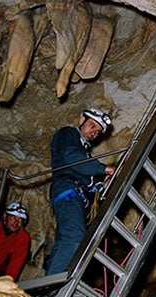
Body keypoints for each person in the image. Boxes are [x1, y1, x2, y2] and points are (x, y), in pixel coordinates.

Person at [45, 108, 116, 275]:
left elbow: (82, 173)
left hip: (74, 192)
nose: (94, 133)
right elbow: (72, 158)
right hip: (67, 189)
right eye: (92, 126)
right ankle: (51, 285)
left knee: (64, 239)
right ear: (81, 120)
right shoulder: (68, 134)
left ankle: (49, 278)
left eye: (97, 132)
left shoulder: (83, 151)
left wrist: (98, 185)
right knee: (75, 237)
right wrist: (103, 169)